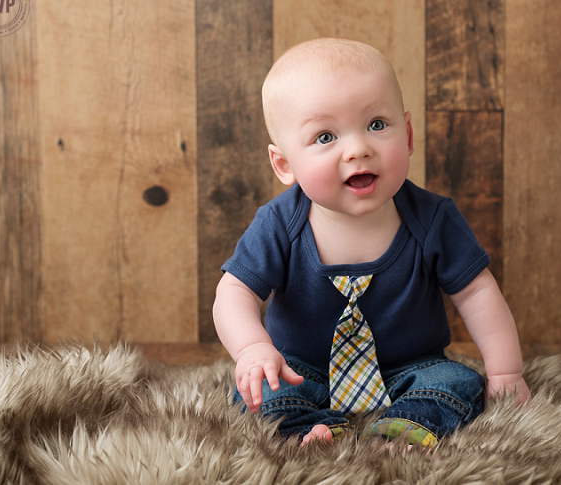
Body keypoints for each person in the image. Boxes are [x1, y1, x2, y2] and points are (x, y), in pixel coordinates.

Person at [213, 38, 530, 447]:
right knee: (261, 392)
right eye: (325, 137)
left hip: (409, 369)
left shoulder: (431, 218)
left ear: (409, 135)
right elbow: (234, 291)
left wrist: (506, 371)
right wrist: (253, 348)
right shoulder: (278, 223)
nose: (359, 149)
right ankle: (307, 431)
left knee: (456, 381)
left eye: (377, 125)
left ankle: (406, 427)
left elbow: (477, 293)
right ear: (284, 165)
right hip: (301, 369)